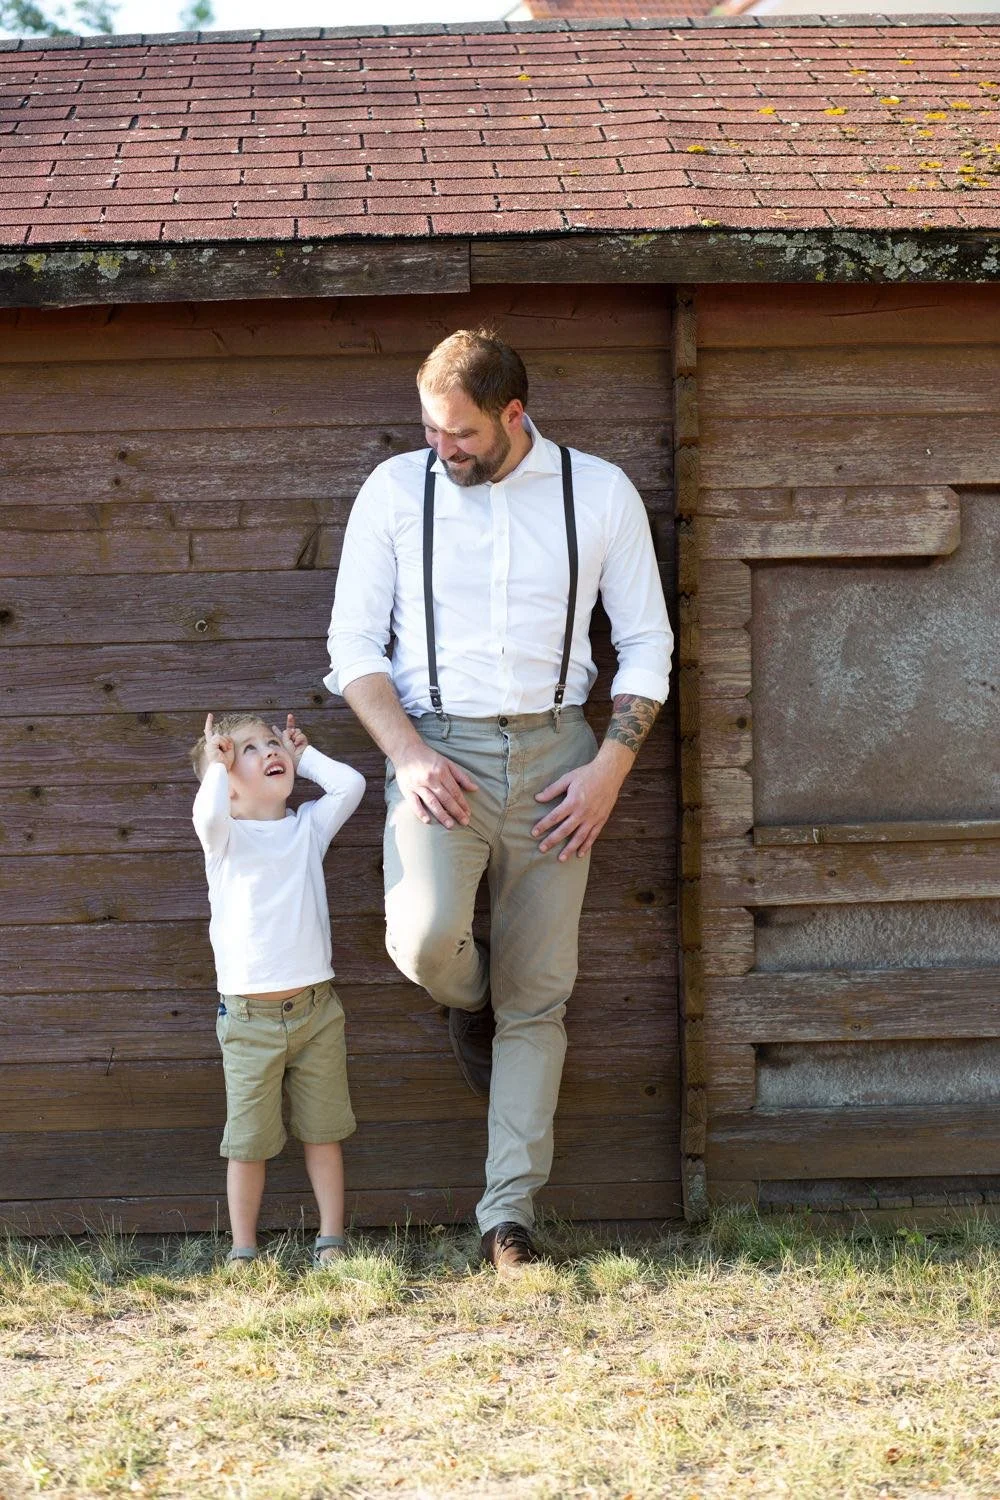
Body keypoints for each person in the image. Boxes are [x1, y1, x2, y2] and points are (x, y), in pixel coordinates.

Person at [326, 328, 672, 1273]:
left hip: (563, 754)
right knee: (426, 941)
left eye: (462, 432)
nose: (444, 447)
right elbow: (352, 649)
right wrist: (406, 756)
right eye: (433, 428)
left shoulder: (598, 493)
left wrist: (607, 771)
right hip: (436, 751)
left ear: (515, 415)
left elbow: (646, 645)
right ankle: (468, 1002)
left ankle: (506, 1218)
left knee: (542, 997)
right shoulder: (395, 492)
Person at [190, 710, 365, 1266]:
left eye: (273, 743)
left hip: (317, 1013)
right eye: (246, 749)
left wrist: (303, 752)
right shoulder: (224, 839)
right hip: (248, 1021)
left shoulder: (306, 828)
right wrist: (216, 768)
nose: (269, 751)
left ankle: (331, 1240)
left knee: (323, 1130)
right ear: (226, 782)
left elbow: (352, 785)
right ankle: (244, 1249)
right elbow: (207, 813)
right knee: (248, 1142)